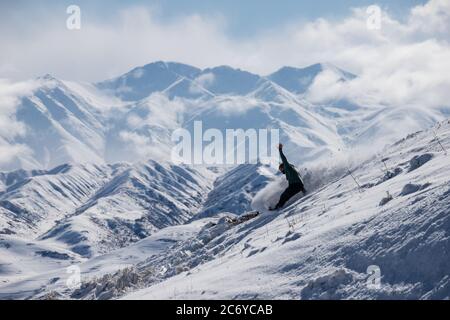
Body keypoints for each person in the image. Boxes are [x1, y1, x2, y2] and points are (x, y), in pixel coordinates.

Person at [269, 144, 306, 211]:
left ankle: (277, 208)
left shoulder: (287, 167)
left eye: (281, 169)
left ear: (284, 167)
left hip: (295, 185)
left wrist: (280, 150)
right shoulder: (291, 170)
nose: (281, 171)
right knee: (285, 195)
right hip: (297, 185)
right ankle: (305, 192)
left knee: (284, 196)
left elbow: (284, 159)